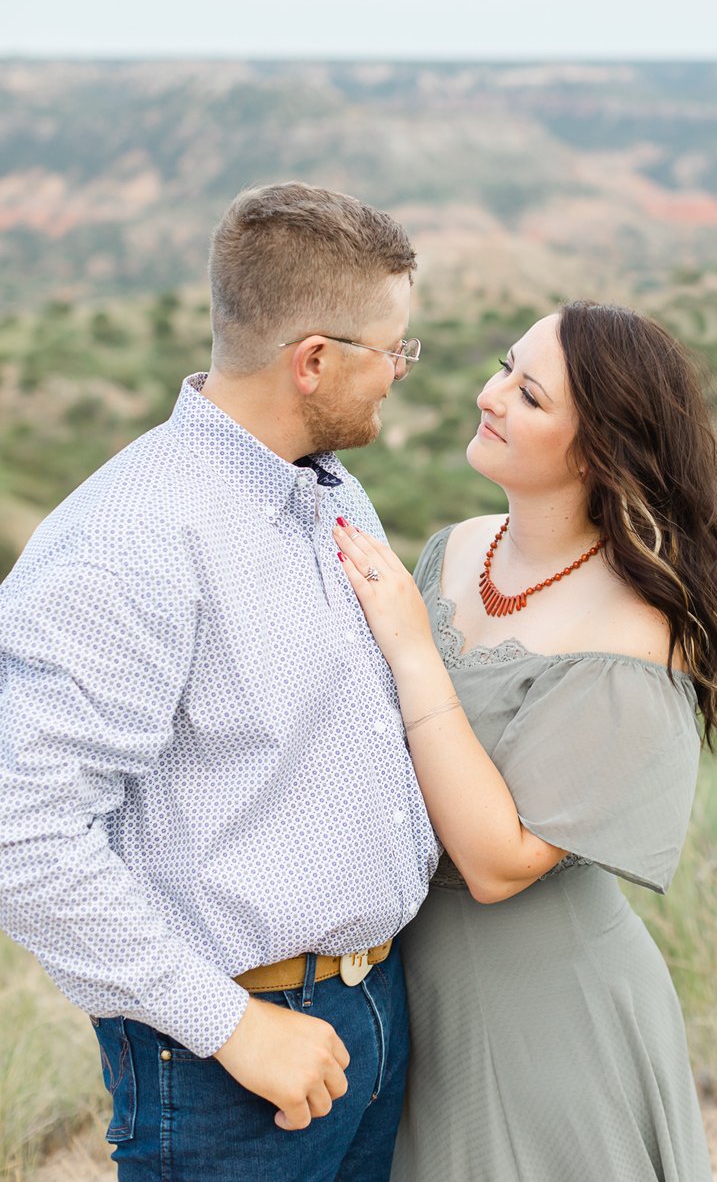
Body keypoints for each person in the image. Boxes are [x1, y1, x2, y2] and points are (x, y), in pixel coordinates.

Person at [0, 183, 439, 1182]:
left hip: (370, 1021)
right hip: (227, 1062)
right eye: (393, 350)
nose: (400, 375)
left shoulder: (330, 486)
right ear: (314, 361)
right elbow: (18, 835)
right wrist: (233, 1025)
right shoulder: (130, 541)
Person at [334, 301, 717, 1182]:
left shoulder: (635, 633)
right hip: (407, 999)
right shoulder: (452, 552)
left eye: (529, 395)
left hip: (548, 1017)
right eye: (504, 367)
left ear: (598, 450)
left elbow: (498, 862)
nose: (490, 397)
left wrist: (413, 649)